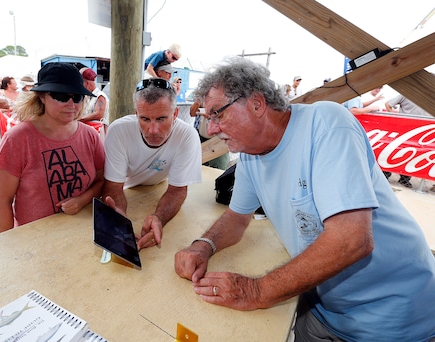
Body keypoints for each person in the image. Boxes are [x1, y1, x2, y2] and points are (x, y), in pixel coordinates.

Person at [174, 58, 435, 341]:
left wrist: (256, 291)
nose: (210, 129)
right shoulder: (250, 154)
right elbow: (236, 218)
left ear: (257, 104)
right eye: (207, 118)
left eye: (217, 114)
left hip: (395, 320)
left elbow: (351, 240)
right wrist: (204, 245)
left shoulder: (325, 123)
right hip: (322, 310)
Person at [0, 62, 105, 233]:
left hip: (82, 234)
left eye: (77, 97)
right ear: (42, 97)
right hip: (34, 240)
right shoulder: (17, 139)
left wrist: (82, 200)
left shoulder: (90, 135)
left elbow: (102, 180)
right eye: (61, 96)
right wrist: (8, 250)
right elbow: (2, 201)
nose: (71, 104)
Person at [102, 78, 202, 250]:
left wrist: (159, 218)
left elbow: (177, 190)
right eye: (145, 119)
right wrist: (119, 220)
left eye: (162, 119)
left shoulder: (187, 136)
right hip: (128, 189)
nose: (153, 130)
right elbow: (113, 187)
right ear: (136, 114)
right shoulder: (118, 130)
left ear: (175, 114)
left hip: (159, 187)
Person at [384, 95, 433, 189]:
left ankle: (405, 178)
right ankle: (386, 173)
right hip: (403, 128)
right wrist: (396, 119)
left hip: (420, 130)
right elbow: (388, 104)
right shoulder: (405, 94)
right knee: (394, 150)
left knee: (413, 153)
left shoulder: (429, 97)